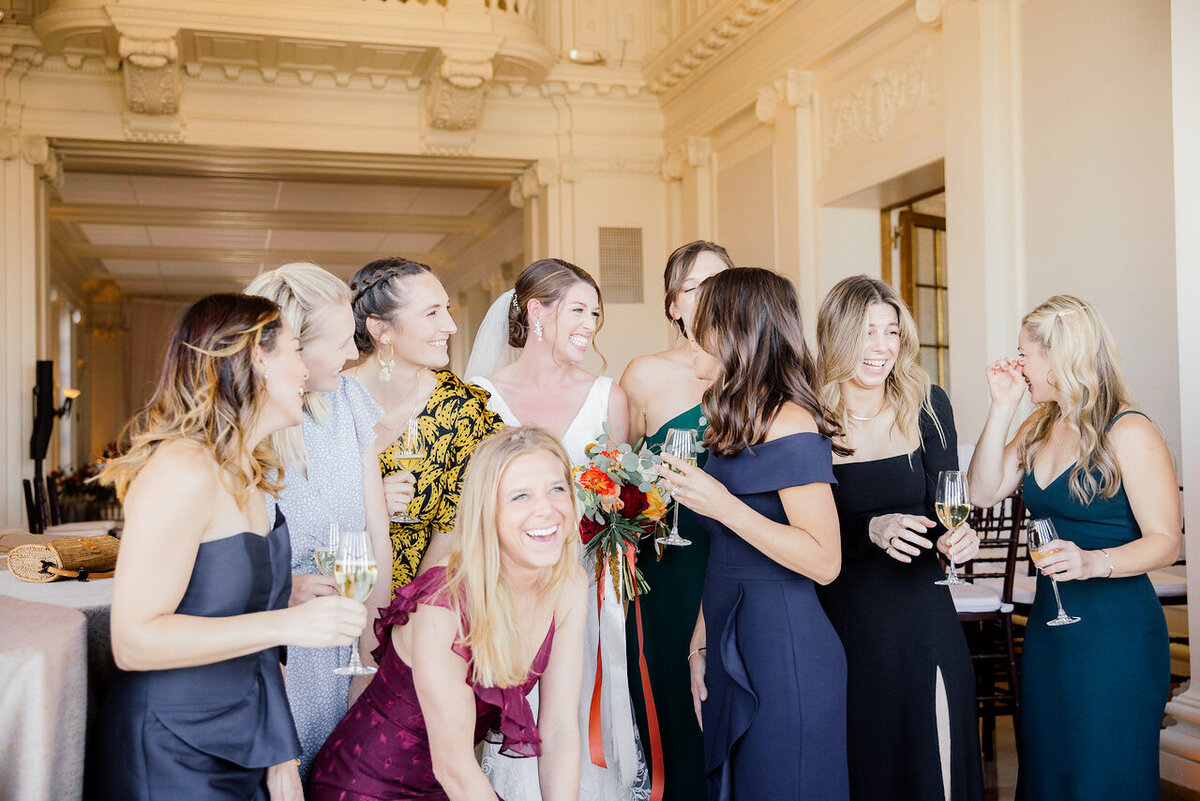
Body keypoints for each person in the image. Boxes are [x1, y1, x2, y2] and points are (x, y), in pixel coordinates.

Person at [90, 293, 368, 801]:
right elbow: (132, 642)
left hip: (247, 742)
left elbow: (256, 641)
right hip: (172, 747)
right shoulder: (181, 469)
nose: (305, 367)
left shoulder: (250, 475)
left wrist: (282, 754)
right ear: (257, 359)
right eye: (292, 349)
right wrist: (288, 621)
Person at [968, 294, 1180, 801]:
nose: (1017, 364)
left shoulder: (1129, 430)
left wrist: (1091, 562)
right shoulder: (1039, 425)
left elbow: (1166, 542)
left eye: (1024, 353)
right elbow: (979, 492)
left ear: (1058, 357)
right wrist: (1001, 407)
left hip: (1116, 635)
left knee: (1103, 778)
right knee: (1048, 773)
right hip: (1051, 629)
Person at [309, 426, 588, 801]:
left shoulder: (568, 583)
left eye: (557, 488)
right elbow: (453, 766)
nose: (546, 509)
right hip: (367, 786)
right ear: (487, 512)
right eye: (520, 496)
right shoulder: (445, 603)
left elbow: (559, 731)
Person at [658, 267, 849, 801]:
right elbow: (726, 551)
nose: (689, 324)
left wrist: (723, 505)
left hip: (782, 649)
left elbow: (824, 560)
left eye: (704, 314)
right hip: (728, 639)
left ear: (736, 329)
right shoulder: (733, 419)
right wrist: (699, 646)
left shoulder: (790, 421)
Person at [465, 258, 644, 801]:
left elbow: (619, 494)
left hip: (586, 584)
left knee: (582, 708)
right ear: (537, 312)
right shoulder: (476, 395)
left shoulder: (608, 397)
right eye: (579, 310)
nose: (590, 324)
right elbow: (471, 504)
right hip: (507, 585)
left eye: (596, 314)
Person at [814, 275, 983, 801]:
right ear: (839, 336)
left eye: (892, 332)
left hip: (921, 606)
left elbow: (947, 505)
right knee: (863, 758)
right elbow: (794, 526)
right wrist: (870, 528)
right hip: (841, 612)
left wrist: (959, 537)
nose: (883, 348)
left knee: (939, 742)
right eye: (868, 333)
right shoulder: (810, 416)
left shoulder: (927, 403)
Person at [245, 262, 393, 779]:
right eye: (339, 343)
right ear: (289, 347)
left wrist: (371, 655)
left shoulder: (349, 402)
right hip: (271, 651)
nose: (354, 355)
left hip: (345, 644)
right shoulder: (247, 426)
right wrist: (281, 590)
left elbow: (377, 538)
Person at [617, 241, 732, 801]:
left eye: (721, 280)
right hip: (674, 564)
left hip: (746, 560)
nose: (709, 295)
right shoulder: (643, 376)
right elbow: (618, 479)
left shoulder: (760, 368)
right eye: (694, 286)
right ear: (672, 306)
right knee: (676, 710)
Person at [346, 256, 503, 593]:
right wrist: (368, 508)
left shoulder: (462, 410)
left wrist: (405, 616)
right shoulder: (330, 404)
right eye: (432, 313)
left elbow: (455, 533)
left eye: (446, 309)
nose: (450, 326)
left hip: (429, 600)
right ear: (380, 329)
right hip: (339, 591)